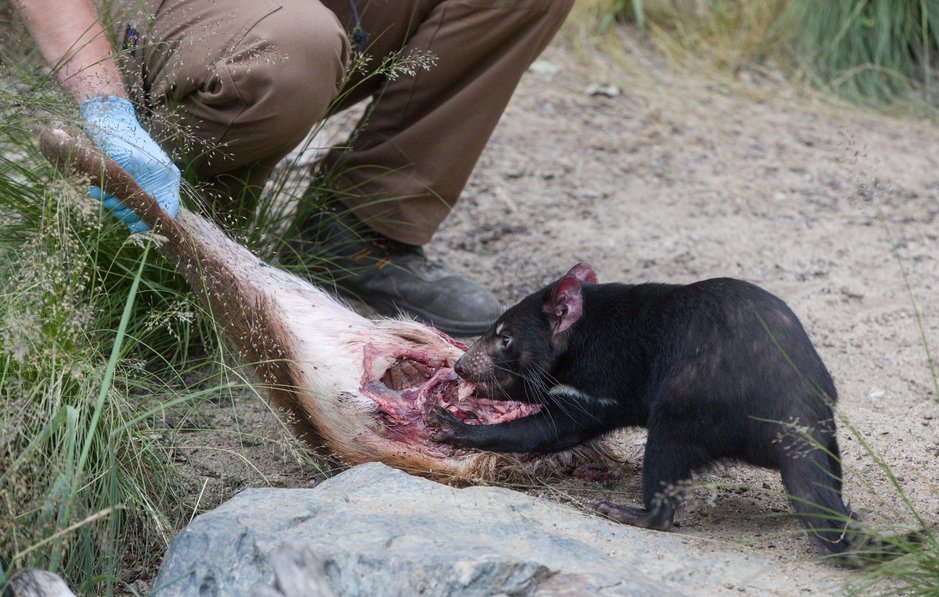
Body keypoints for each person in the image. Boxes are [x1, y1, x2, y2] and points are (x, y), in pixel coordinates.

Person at [13, 0, 575, 337]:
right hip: (164, 16)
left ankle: (355, 232)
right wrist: (105, 109)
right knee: (292, 52)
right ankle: (174, 240)